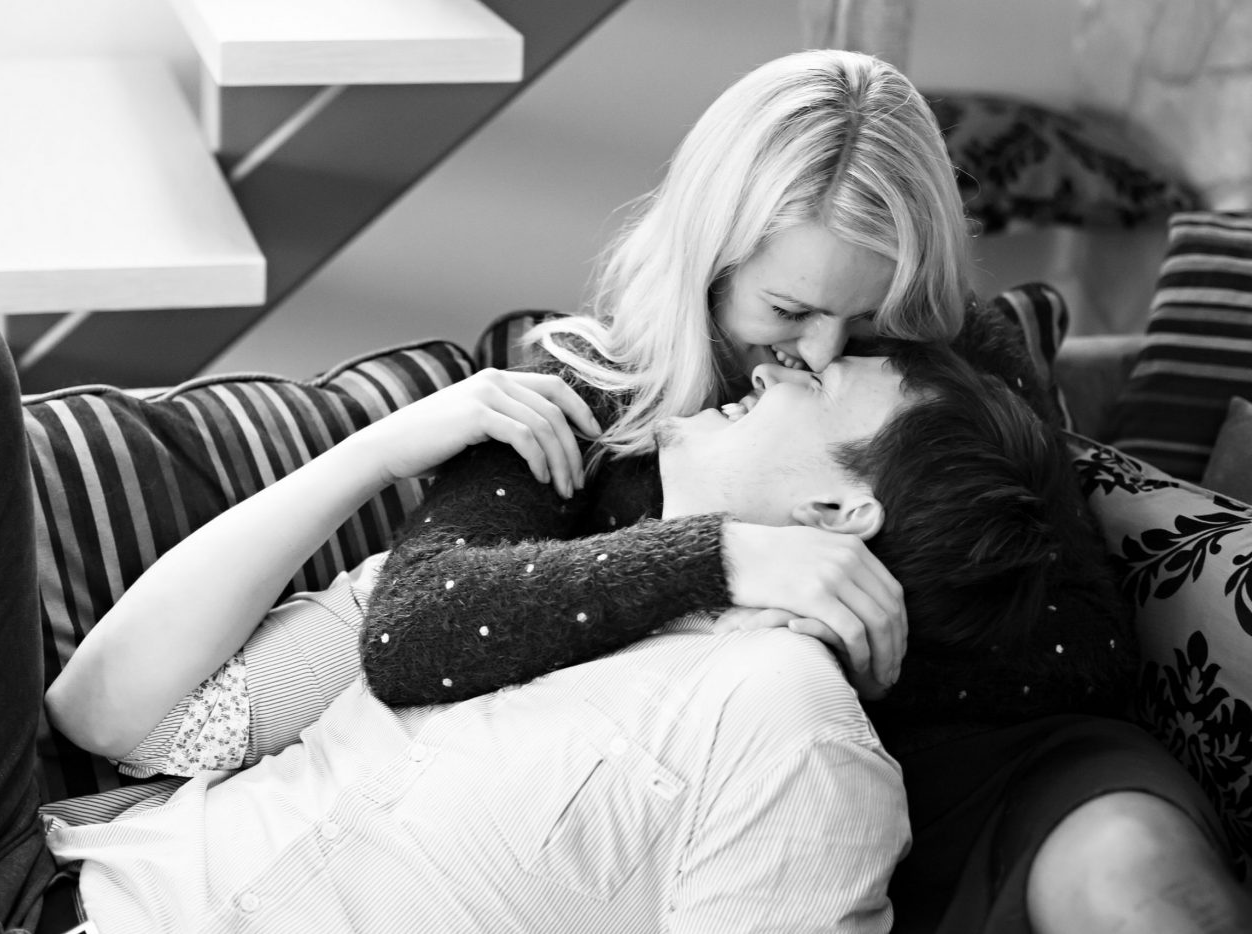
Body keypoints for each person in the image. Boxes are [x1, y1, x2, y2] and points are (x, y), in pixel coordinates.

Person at [354, 49, 1252, 934]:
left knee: (1141, 881)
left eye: (870, 318)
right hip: (730, 812)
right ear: (707, 264)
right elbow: (408, 633)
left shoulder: (960, 356)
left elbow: (1090, 645)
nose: (823, 350)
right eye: (788, 312)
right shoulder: (586, 390)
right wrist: (717, 560)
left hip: (990, 768)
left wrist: (857, 634)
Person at [0, 276, 1000, 932]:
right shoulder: (495, 587)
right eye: (785, 324)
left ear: (839, 510)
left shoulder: (792, 731)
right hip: (19, 867)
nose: (773, 366)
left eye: (818, 377)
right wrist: (383, 448)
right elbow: (107, 715)